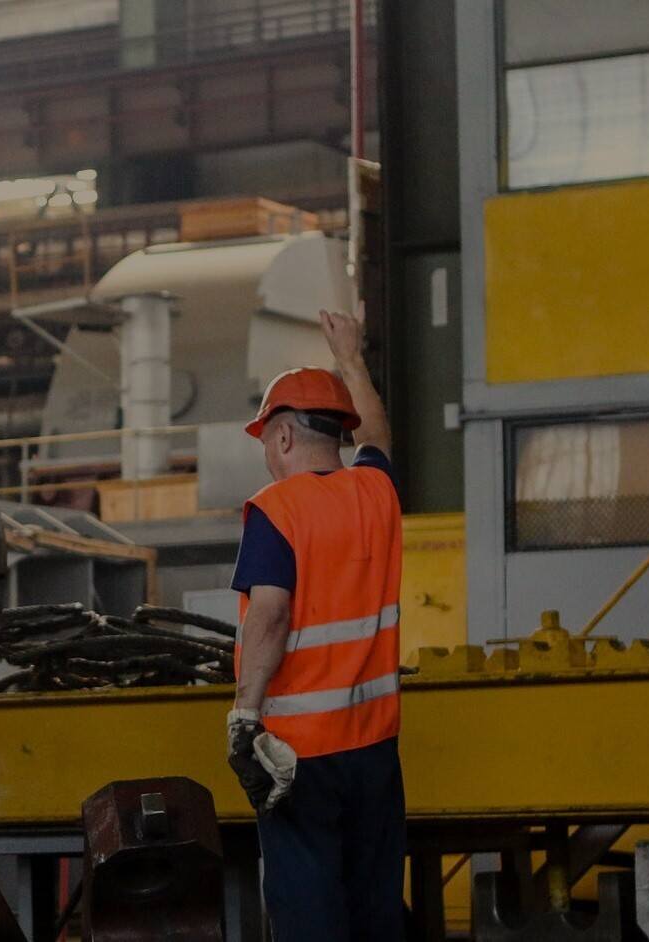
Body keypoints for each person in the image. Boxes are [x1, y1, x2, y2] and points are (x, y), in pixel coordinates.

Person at [226, 308, 405, 941]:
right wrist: (351, 359)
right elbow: (378, 437)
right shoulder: (378, 495)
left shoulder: (277, 509)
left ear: (280, 438)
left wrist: (245, 717)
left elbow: (269, 616)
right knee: (376, 908)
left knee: (309, 914)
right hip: (376, 750)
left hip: (299, 758)